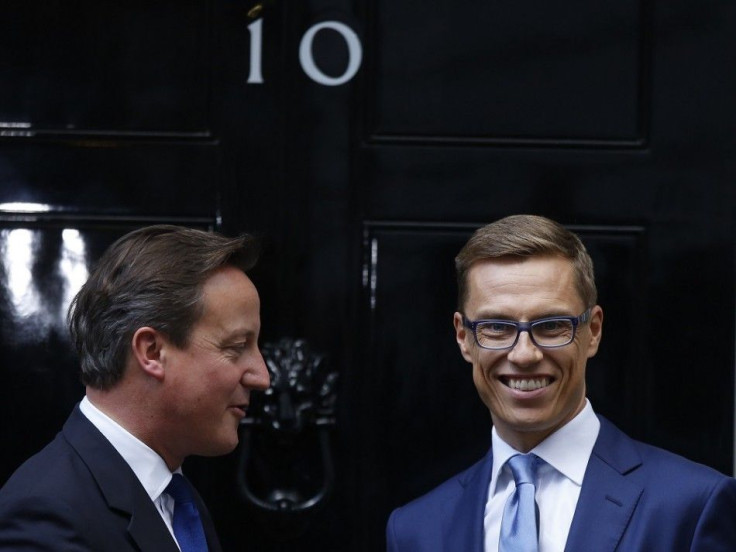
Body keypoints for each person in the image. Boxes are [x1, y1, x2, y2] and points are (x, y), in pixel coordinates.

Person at [386, 214, 736, 551]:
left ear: (593, 331)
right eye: (496, 327)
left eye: (551, 325)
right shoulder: (416, 529)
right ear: (464, 337)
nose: (524, 354)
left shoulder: (691, 506)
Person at [0, 225, 271, 551]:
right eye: (237, 346)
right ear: (152, 352)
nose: (262, 376)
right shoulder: (45, 518)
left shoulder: (175, 496)